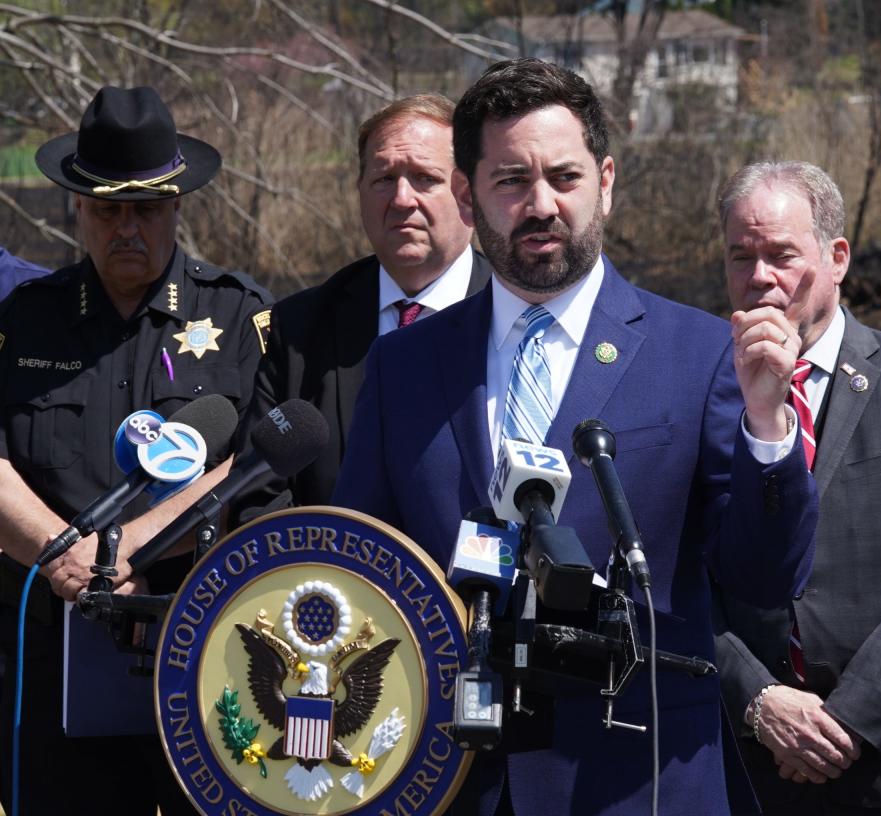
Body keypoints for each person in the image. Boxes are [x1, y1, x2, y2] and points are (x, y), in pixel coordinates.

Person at [332, 59, 817, 816]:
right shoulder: (404, 365)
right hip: (451, 782)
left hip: (637, 780)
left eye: (565, 177)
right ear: (467, 194)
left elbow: (764, 581)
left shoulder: (698, 355)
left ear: (608, 181)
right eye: (511, 181)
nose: (542, 205)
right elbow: (364, 569)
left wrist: (767, 426)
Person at [0, 86, 272, 815]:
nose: (128, 228)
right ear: (77, 209)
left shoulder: (241, 316)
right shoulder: (24, 321)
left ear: (178, 208)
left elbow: (254, 470)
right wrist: (62, 554)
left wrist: (126, 558)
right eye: (109, 210)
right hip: (53, 656)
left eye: (147, 210)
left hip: (201, 653)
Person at [713, 160, 881, 814]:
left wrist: (851, 718)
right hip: (740, 761)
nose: (760, 276)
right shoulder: (694, 392)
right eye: (742, 256)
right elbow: (674, 572)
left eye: (782, 254)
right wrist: (757, 698)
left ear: (837, 257)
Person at [232, 93, 490, 518]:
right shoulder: (299, 329)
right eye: (384, 179)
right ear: (360, 191)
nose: (402, 198)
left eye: (425, 178)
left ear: (468, 193)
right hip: (331, 575)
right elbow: (256, 497)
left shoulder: (517, 317)